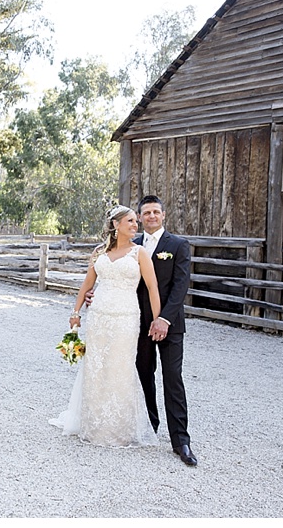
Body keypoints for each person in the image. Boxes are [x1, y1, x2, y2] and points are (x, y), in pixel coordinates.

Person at [50, 205, 161, 447]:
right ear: (115, 224)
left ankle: (120, 430)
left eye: (136, 221)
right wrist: (75, 312)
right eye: (130, 221)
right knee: (96, 367)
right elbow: (87, 284)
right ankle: (94, 425)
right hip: (98, 317)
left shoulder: (139, 253)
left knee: (120, 367)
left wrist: (156, 319)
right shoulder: (99, 252)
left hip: (126, 316)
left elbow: (153, 288)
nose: (136, 225)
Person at [135, 195, 196, 466]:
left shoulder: (178, 245)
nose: (151, 216)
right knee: (143, 375)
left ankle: (181, 441)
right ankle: (149, 428)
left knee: (173, 379)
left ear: (163, 214)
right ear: (138, 217)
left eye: (155, 212)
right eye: (146, 212)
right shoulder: (133, 245)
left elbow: (180, 287)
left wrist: (164, 319)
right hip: (138, 324)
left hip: (169, 325)